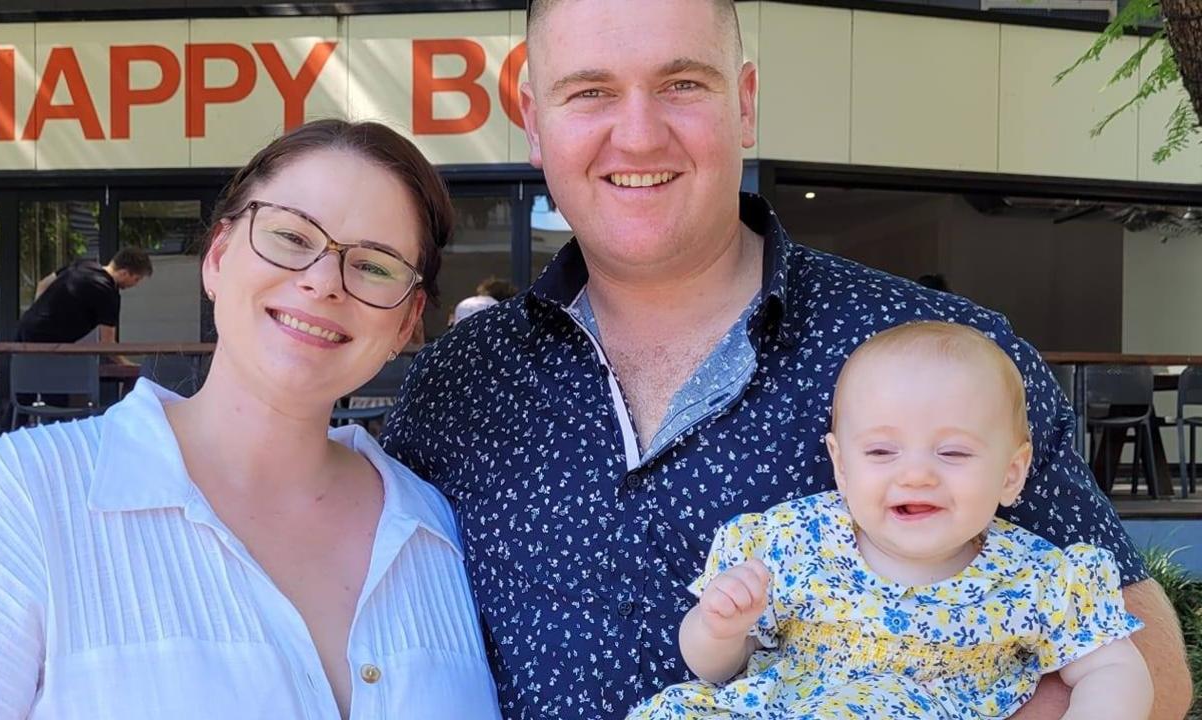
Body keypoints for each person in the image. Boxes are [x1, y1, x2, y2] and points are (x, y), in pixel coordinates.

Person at [381, 1, 1190, 718]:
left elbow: (1149, 665)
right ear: (533, 117)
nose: (637, 133)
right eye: (590, 90)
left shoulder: (945, 356)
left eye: (682, 85)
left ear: (746, 103)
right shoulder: (459, 386)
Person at [0, 119, 500, 720]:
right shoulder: (26, 500)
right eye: (291, 236)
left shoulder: (442, 532)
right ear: (218, 257)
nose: (323, 282)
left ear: (406, 325)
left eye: (375, 266)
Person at [628, 322, 1152, 720]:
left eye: (952, 452)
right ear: (840, 466)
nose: (917, 474)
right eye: (881, 451)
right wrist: (720, 626)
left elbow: (1112, 669)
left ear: (1012, 474)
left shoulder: (1038, 577)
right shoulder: (792, 541)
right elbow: (713, 668)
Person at [17, 246, 153, 345]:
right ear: (124, 273)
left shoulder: (82, 265)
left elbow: (43, 284)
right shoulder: (108, 293)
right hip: (50, 345)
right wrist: (129, 366)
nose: (135, 284)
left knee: (23, 382)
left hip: (25, 329)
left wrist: (37, 313)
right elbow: (107, 343)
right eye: (136, 279)